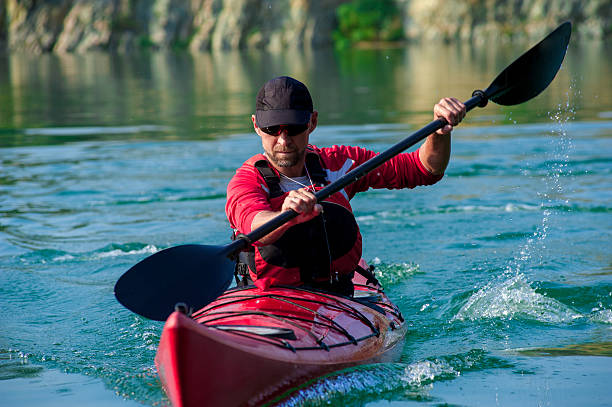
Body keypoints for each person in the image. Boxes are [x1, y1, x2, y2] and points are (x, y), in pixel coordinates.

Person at [226, 76, 465, 295]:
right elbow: (252, 225)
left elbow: (423, 169)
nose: (283, 140)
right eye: (272, 129)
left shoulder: (339, 164)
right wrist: (288, 215)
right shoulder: (246, 181)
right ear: (256, 125)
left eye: (294, 128)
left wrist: (439, 131)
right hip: (267, 299)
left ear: (312, 122)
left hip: (338, 298)